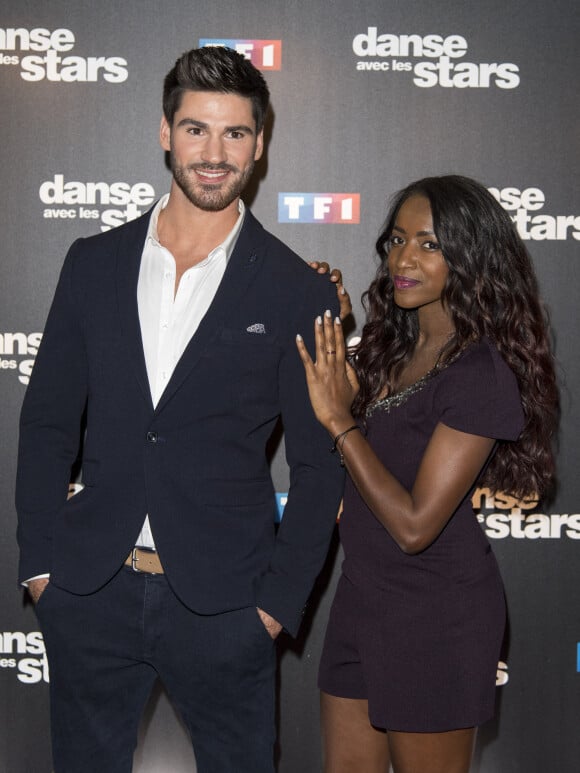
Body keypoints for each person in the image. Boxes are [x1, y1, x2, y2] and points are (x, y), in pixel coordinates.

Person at [15, 46, 348, 773]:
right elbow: (45, 423)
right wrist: (41, 565)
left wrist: (273, 607)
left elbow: (320, 467)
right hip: (89, 590)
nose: (213, 153)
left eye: (235, 134)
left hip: (227, 606)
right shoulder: (91, 262)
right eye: (196, 129)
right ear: (165, 132)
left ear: (259, 146)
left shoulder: (299, 291)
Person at [296, 175, 558, 773]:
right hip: (362, 601)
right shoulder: (393, 347)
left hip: (438, 618)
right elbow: (340, 400)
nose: (403, 259)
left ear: (469, 256)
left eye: (428, 244)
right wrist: (327, 319)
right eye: (395, 240)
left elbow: (415, 526)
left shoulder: (481, 373)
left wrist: (341, 422)